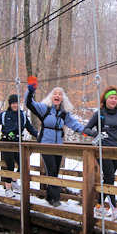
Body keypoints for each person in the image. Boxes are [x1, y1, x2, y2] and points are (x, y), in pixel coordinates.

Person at [25, 76, 86, 206]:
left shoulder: (64, 113)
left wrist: (86, 131)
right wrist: (30, 91)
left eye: (60, 94)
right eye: (55, 94)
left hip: (58, 145)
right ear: (51, 97)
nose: (57, 96)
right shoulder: (44, 108)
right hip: (46, 144)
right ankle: (55, 199)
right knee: (51, 169)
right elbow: (29, 103)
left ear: (62, 98)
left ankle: (49, 196)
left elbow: (75, 125)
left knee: (55, 171)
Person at [83, 86, 117, 220]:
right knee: (110, 178)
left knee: (109, 178)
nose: (113, 100)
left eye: (116, 98)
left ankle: (98, 206)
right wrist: (96, 133)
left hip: (116, 150)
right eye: (111, 97)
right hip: (102, 149)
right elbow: (86, 129)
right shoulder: (100, 113)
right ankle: (115, 209)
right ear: (105, 99)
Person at [0, 94, 38, 197]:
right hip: (6, 143)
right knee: (10, 165)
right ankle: (8, 188)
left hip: (18, 143)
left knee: (23, 164)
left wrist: (40, 136)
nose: (15, 105)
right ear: (10, 104)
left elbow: (30, 128)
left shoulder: (23, 115)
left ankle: (14, 180)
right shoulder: (4, 115)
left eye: (16, 103)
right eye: (13, 103)